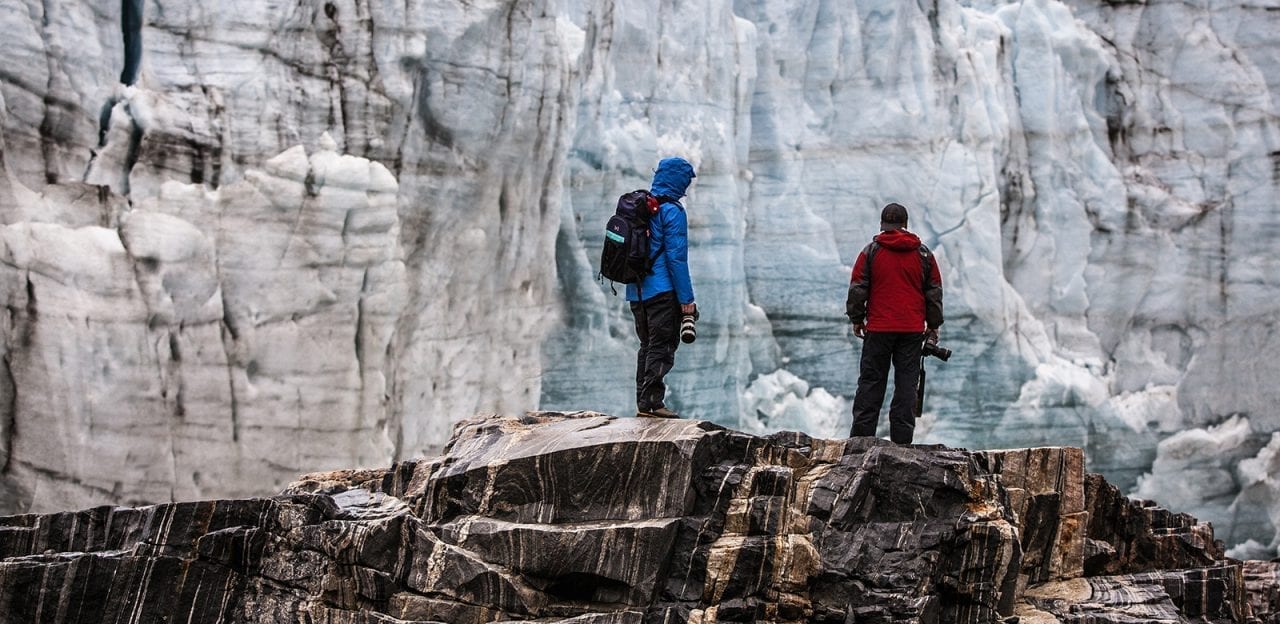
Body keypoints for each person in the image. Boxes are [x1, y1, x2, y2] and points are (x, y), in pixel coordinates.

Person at [845, 203, 943, 444]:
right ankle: (901, 443)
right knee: (906, 386)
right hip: (910, 331)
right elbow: (934, 291)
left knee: (871, 383)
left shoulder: (870, 252)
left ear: (883, 225)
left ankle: (860, 442)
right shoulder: (923, 255)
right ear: (905, 225)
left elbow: (858, 288)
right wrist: (933, 324)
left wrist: (857, 319)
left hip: (878, 329)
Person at [628, 157, 697, 418]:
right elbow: (676, 259)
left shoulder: (643, 206)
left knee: (647, 345)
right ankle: (652, 403)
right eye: (686, 181)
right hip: (662, 291)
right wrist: (687, 300)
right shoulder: (672, 211)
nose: (687, 187)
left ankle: (644, 402)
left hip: (637, 291)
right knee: (663, 346)